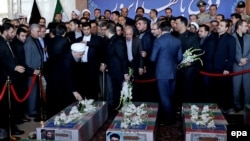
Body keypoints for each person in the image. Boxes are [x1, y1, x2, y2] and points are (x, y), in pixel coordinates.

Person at [150, 21, 182, 125]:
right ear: (170, 29)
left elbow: (153, 58)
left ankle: (169, 120)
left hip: (162, 72)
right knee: (171, 96)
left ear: (160, 29)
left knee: (164, 97)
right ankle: (172, 118)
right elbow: (180, 58)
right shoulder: (177, 40)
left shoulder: (158, 41)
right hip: (173, 72)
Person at [0, 23, 25, 137]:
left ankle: (11, 128)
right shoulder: (0, 43)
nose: (13, 34)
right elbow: (2, 60)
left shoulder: (7, 42)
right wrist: (14, 67)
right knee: (6, 106)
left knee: (10, 105)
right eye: (11, 32)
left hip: (9, 78)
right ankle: (8, 129)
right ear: (4, 31)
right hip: (3, 79)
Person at [47, 43, 83, 117]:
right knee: (58, 104)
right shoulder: (66, 60)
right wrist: (74, 91)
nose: (81, 56)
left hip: (63, 82)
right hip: (57, 83)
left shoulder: (73, 55)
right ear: (74, 52)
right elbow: (68, 76)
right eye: (80, 54)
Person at [99, 23, 129, 111]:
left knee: (118, 91)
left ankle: (118, 109)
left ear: (108, 31)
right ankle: (116, 108)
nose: (103, 31)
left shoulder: (118, 41)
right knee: (115, 90)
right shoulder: (111, 40)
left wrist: (125, 72)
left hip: (118, 71)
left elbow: (123, 57)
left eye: (104, 29)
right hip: (113, 70)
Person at [212, 19, 236, 113]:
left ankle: (225, 107)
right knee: (216, 88)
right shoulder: (214, 37)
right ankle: (217, 106)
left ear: (226, 28)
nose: (219, 26)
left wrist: (227, 68)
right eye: (219, 25)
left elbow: (232, 55)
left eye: (222, 25)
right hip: (214, 68)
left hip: (224, 69)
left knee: (224, 89)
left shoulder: (230, 39)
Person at [24, 24, 44, 119]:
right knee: (32, 91)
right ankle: (32, 111)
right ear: (31, 31)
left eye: (40, 31)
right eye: (38, 31)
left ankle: (35, 108)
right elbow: (27, 60)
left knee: (36, 91)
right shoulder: (28, 42)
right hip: (32, 72)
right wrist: (32, 71)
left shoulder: (35, 40)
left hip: (37, 70)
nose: (39, 33)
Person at [232, 20, 250, 113]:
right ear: (239, 26)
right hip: (236, 65)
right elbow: (231, 51)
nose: (247, 28)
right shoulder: (231, 37)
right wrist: (239, 59)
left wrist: (246, 59)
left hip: (248, 65)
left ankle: (247, 106)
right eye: (245, 26)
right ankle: (237, 105)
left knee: (247, 88)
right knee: (236, 87)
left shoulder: (249, 37)